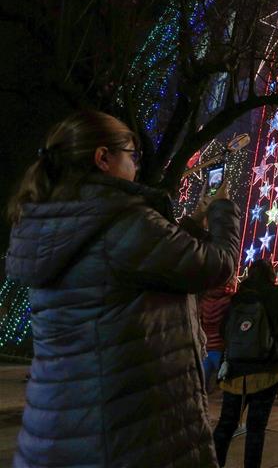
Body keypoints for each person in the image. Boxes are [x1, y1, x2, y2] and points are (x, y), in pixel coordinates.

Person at [5, 110, 241, 467]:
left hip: (60, 425)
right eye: (132, 156)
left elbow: (136, 270)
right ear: (103, 158)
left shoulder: (50, 219)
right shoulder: (120, 219)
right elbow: (218, 266)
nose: (136, 167)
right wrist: (223, 210)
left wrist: (191, 224)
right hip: (128, 432)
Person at [213, 250, 278, 467]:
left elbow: (224, 331)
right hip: (266, 373)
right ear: (271, 277)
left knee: (225, 427)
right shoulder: (275, 295)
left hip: (235, 374)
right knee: (256, 430)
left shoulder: (237, 299)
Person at [200, 277, 238, 391]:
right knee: (229, 383)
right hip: (221, 347)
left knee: (202, 386)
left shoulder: (203, 302)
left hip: (206, 347)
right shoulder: (228, 301)